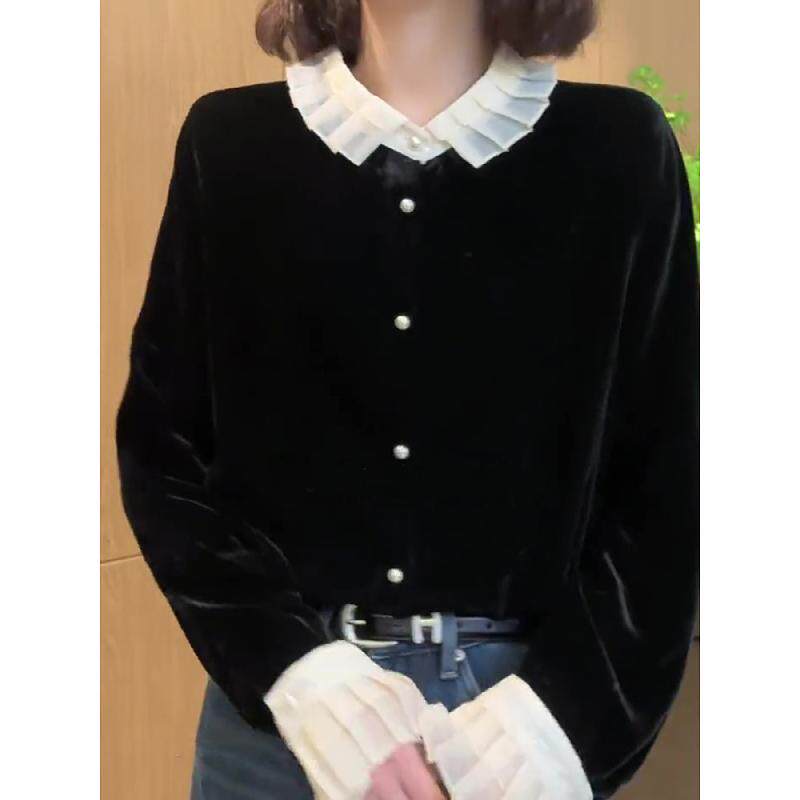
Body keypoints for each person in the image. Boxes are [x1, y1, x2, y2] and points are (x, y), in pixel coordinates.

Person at [114, 0, 700, 798]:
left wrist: (556, 723)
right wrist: (301, 677)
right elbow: (164, 454)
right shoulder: (230, 146)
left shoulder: (619, 149)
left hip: (521, 727)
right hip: (287, 721)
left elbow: (669, 479)